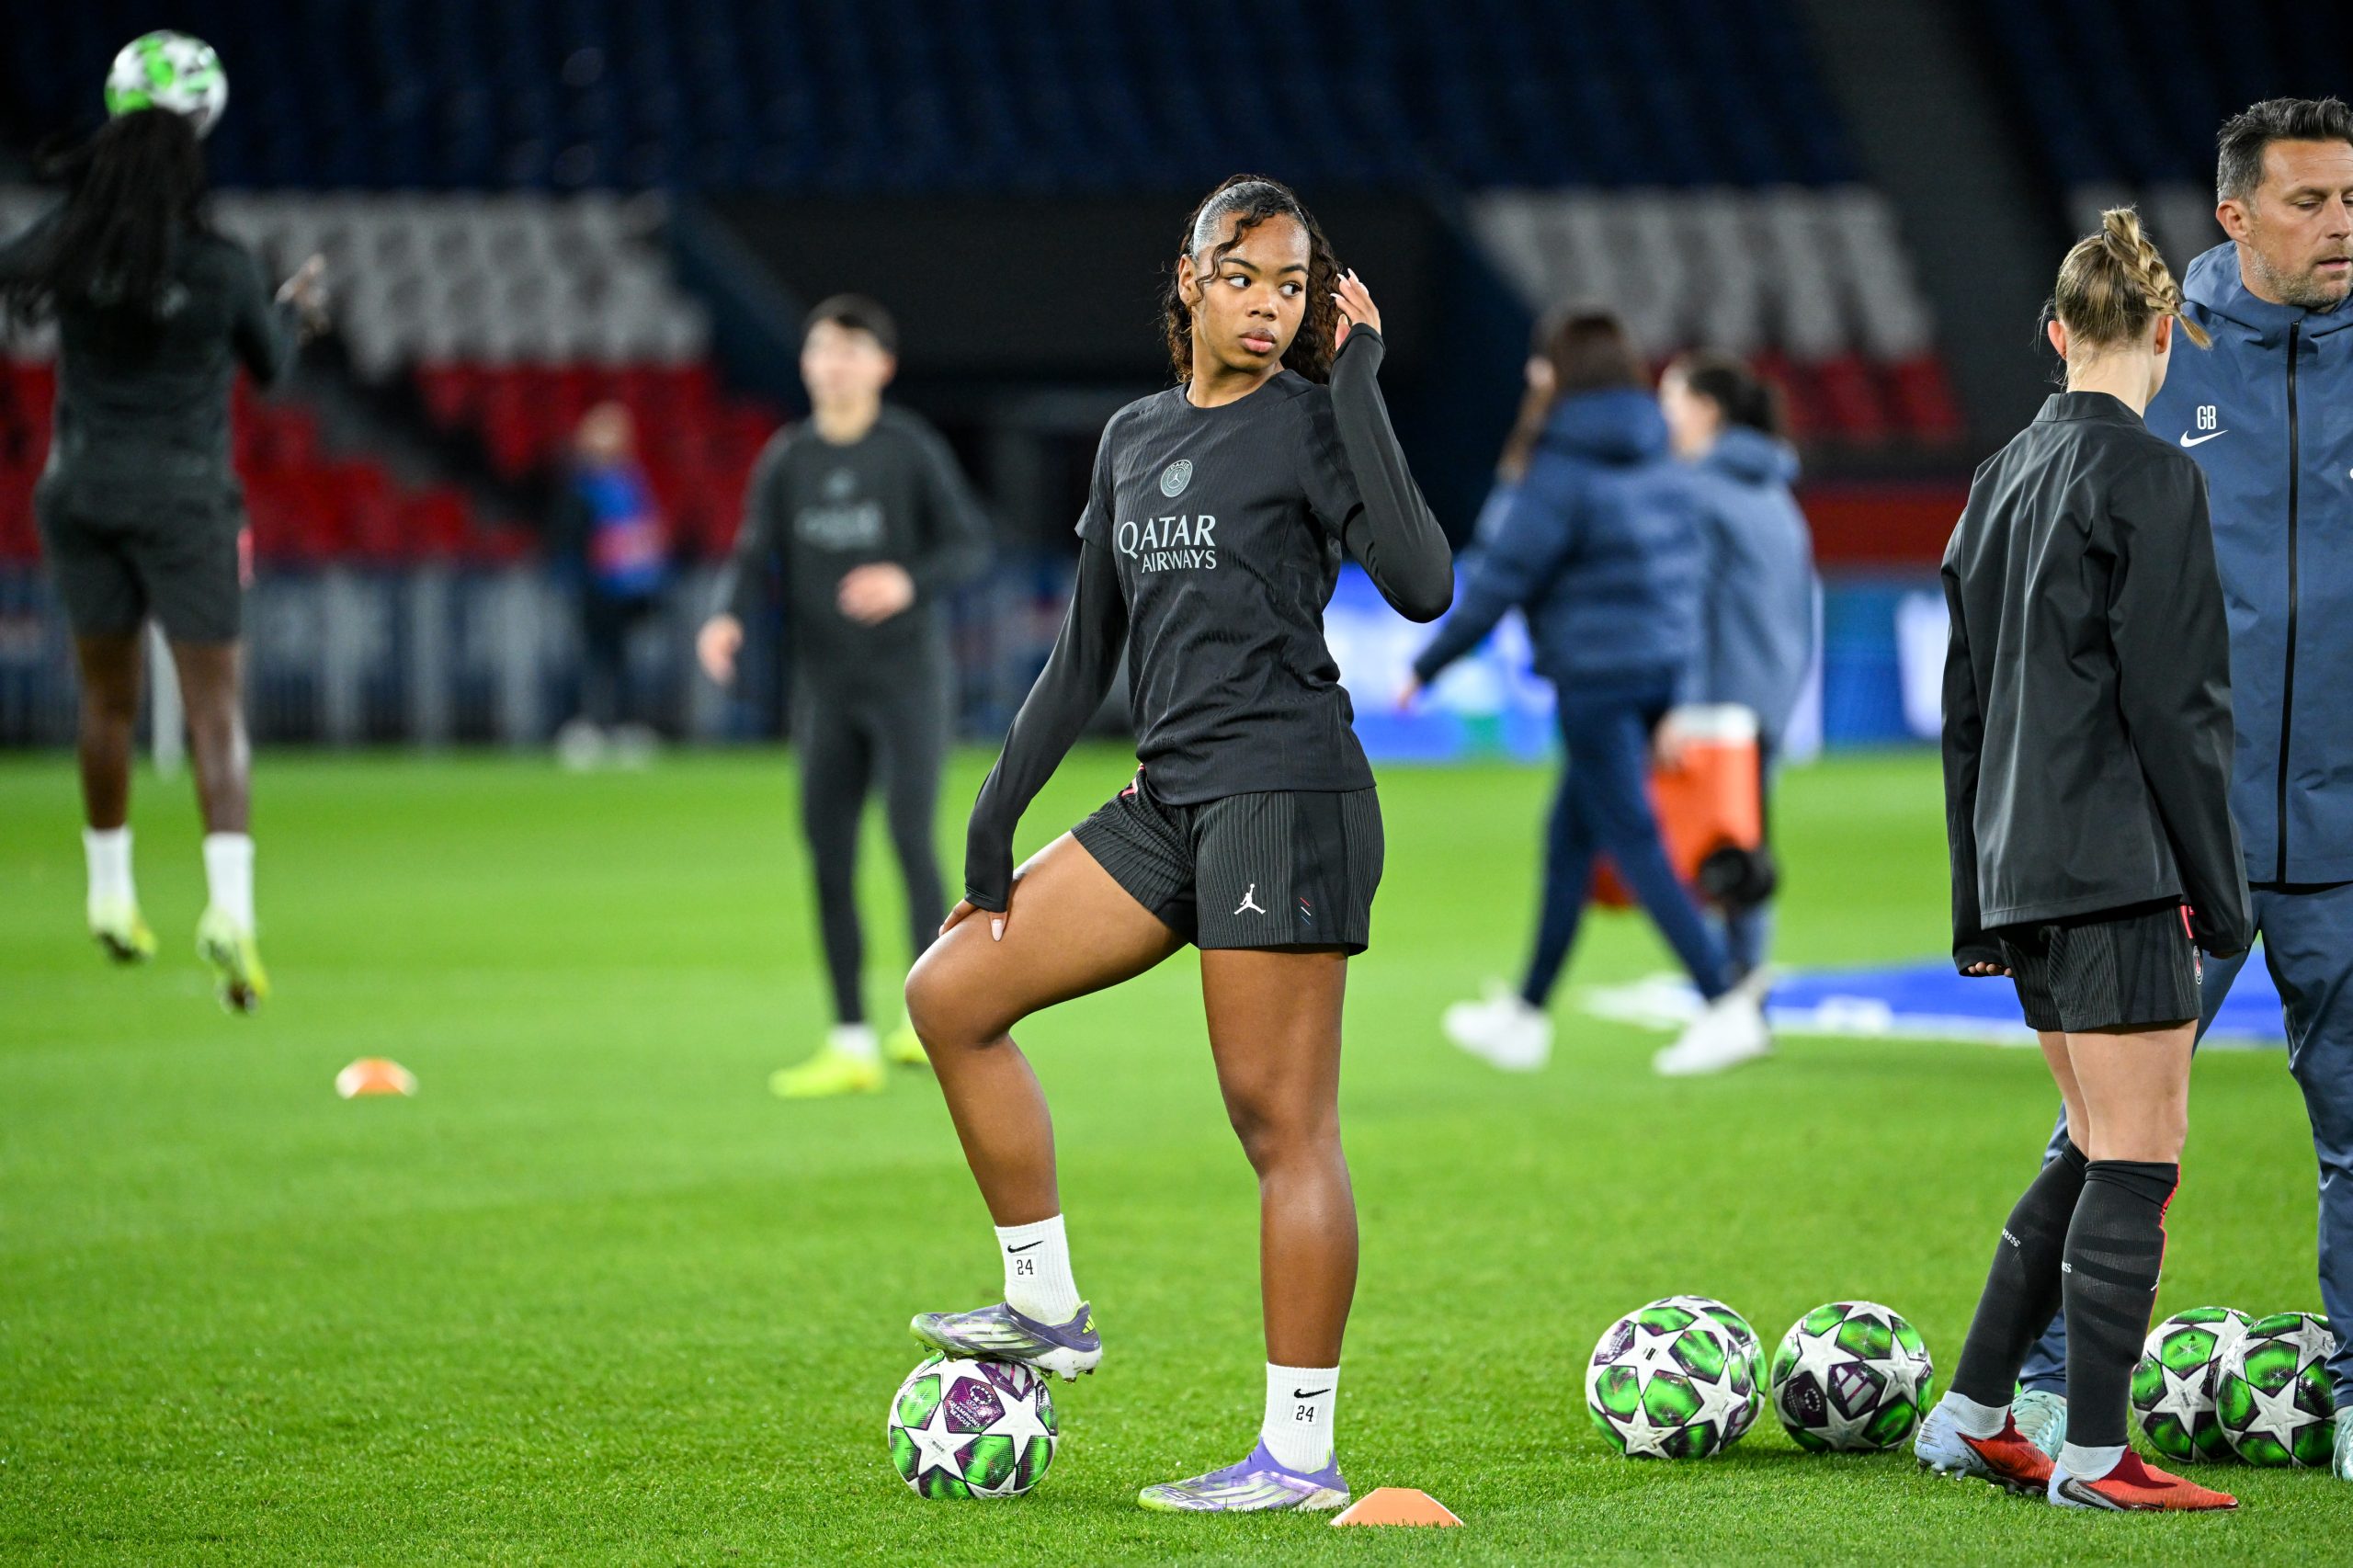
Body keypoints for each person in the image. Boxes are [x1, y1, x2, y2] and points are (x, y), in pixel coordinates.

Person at [898, 175, 1449, 1513]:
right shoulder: (1134, 436)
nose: (1271, 305)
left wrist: (1362, 374)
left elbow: (1425, 582)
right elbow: (1088, 648)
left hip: (1286, 797)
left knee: (1281, 1126)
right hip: (1165, 804)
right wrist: (996, 809)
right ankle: (1045, 1301)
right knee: (950, 990)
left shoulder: (1318, 425)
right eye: (1246, 276)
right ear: (1190, 279)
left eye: (1295, 286)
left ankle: (1299, 1454)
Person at [2010, 97, 2353, 1485]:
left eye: (2352, 199)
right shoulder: (2155, 353)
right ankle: (2035, 1394)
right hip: (2164, 841)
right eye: (2311, 201)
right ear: (2234, 216)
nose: (2341, 225)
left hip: (2343, 829)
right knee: (2101, 1132)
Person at [1914, 209, 2250, 1512]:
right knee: (2137, 1152)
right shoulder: (2159, 480)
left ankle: (1974, 1410)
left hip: (2021, 869)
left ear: (2057, 335)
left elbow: (1964, 717)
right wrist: (2218, 897)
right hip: (2117, 864)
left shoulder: (1993, 481)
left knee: (2083, 1136)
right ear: (2165, 335)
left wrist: (1974, 903)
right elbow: (2179, 712)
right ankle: (2102, 1456)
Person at [0, 108, 324, 1012]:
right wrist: (294, 312)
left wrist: (76, 219)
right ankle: (230, 913)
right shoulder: (221, 267)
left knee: (106, 702)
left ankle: (110, 889)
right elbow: (271, 370)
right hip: (185, 499)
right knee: (216, 712)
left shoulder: (73, 245)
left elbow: (11, 266)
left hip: (80, 492)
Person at [1401, 312, 1761, 1076]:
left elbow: (1504, 575)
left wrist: (1429, 663)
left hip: (1595, 675)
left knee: (1632, 840)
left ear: (1560, 373)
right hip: (1653, 666)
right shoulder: (1655, 450)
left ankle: (1722, 1000)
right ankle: (1526, 1016)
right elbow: (1684, 569)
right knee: (1569, 842)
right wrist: (1677, 687)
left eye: (1541, 367)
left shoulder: (1561, 462)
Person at [701, 296, 991, 1097]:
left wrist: (907, 577)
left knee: (909, 837)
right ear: (806, 364)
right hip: (824, 687)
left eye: (851, 351)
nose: (834, 364)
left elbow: (970, 543)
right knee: (828, 857)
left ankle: (927, 1018)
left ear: (881, 367)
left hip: (906, 681)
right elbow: (753, 549)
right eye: (822, 350)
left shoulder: (909, 451)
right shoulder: (787, 459)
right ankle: (849, 1041)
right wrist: (725, 618)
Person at [1657, 352, 1816, 1004]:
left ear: (1705, 409)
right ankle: (1744, 979)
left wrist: (1680, 704)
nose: (1661, 412)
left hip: (1716, 700)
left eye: (1670, 397)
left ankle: (1727, 989)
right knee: (1743, 845)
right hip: (1770, 694)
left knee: (1701, 853)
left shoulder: (1695, 492)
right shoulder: (1776, 492)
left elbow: (1689, 607)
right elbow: (1803, 606)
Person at [552, 401, 672, 767]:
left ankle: (623, 725)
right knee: (592, 657)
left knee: (623, 659)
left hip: (628, 591)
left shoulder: (632, 482)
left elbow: (645, 533)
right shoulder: (580, 486)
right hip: (594, 589)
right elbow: (568, 538)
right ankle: (587, 725)